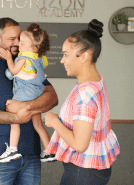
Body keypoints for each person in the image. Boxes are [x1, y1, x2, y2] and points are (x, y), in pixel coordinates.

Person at [0, 17, 58, 185]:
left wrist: (26, 106)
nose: (18, 42)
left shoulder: (28, 61)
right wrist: (15, 118)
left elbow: (52, 97)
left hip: (32, 155)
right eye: (12, 39)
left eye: (20, 38)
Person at [44, 19, 120, 184]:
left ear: (84, 56)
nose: (62, 60)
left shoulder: (86, 93)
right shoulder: (95, 81)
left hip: (84, 172)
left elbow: (80, 144)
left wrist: (54, 122)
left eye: (66, 55)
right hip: (92, 169)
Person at [0, 23, 55, 163]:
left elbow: (13, 71)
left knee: (12, 114)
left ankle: (12, 148)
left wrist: (8, 59)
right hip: (37, 94)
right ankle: (49, 151)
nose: (19, 45)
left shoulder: (23, 58)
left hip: (25, 94)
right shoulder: (39, 58)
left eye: (22, 43)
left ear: (35, 47)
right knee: (38, 125)